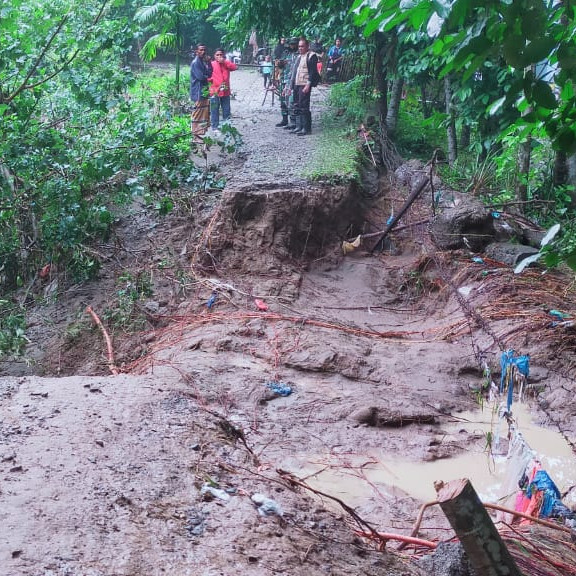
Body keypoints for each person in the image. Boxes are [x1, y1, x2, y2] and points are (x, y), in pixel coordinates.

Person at [288, 37, 319, 136]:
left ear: (307, 46)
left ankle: (306, 128)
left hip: (304, 84)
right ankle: (298, 126)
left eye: (302, 46)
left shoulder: (311, 56)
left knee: (304, 106)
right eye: (299, 46)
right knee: (296, 105)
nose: (300, 48)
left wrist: (308, 85)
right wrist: (290, 86)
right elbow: (294, 73)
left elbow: (312, 72)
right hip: (297, 84)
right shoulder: (298, 57)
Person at [208, 48, 238, 134]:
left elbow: (235, 67)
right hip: (215, 91)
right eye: (217, 55)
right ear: (214, 56)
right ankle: (215, 127)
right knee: (214, 110)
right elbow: (207, 76)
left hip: (225, 91)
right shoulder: (211, 64)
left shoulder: (226, 64)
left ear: (223, 56)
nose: (219, 57)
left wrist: (225, 61)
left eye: (221, 55)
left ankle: (226, 126)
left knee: (226, 109)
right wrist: (212, 83)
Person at [190, 43, 213, 142]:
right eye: (201, 50)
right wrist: (207, 77)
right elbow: (200, 77)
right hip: (198, 91)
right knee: (197, 112)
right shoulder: (196, 63)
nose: (203, 52)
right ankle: (194, 134)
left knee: (204, 112)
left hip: (203, 91)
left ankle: (199, 133)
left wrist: (209, 63)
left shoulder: (203, 62)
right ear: (197, 51)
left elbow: (209, 72)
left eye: (204, 50)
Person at [275, 37, 299, 128]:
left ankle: (293, 122)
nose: (292, 46)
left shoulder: (299, 54)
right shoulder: (285, 53)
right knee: (282, 100)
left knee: (292, 101)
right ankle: (284, 119)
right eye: (291, 44)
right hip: (284, 79)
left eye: (294, 44)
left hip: (293, 81)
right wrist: (281, 63)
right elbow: (279, 65)